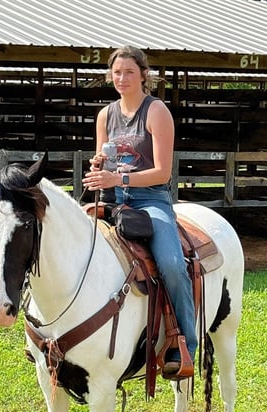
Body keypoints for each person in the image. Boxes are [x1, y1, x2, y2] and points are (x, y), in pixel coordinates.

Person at [82, 45, 197, 379]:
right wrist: (98, 166)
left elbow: (162, 172)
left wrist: (118, 177)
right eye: (117, 72)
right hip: (113, 198)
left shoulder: (156, 111)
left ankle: (185, 344)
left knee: (172, 265)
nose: (122, 78)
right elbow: (104, 161)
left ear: (144, 74)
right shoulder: (105, 115)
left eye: (129, 72)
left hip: (150, 200)